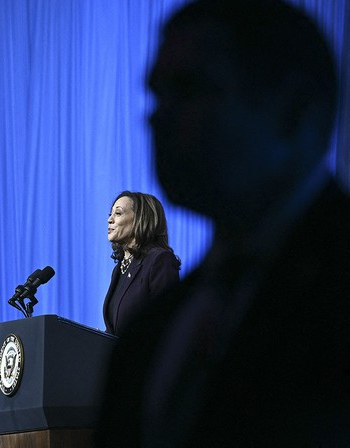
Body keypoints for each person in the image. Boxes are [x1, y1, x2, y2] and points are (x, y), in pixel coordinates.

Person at [96, 0, 350, 446]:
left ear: (294, 112)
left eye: (190, 89)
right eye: (157, 93)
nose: (155, 116)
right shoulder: (154, 332)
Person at [103, 191, 180, 337]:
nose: (110, 220)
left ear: (140, 219)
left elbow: (168, 322)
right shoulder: (119, 270)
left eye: (118, 213)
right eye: (110, 214)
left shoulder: (160, 260)